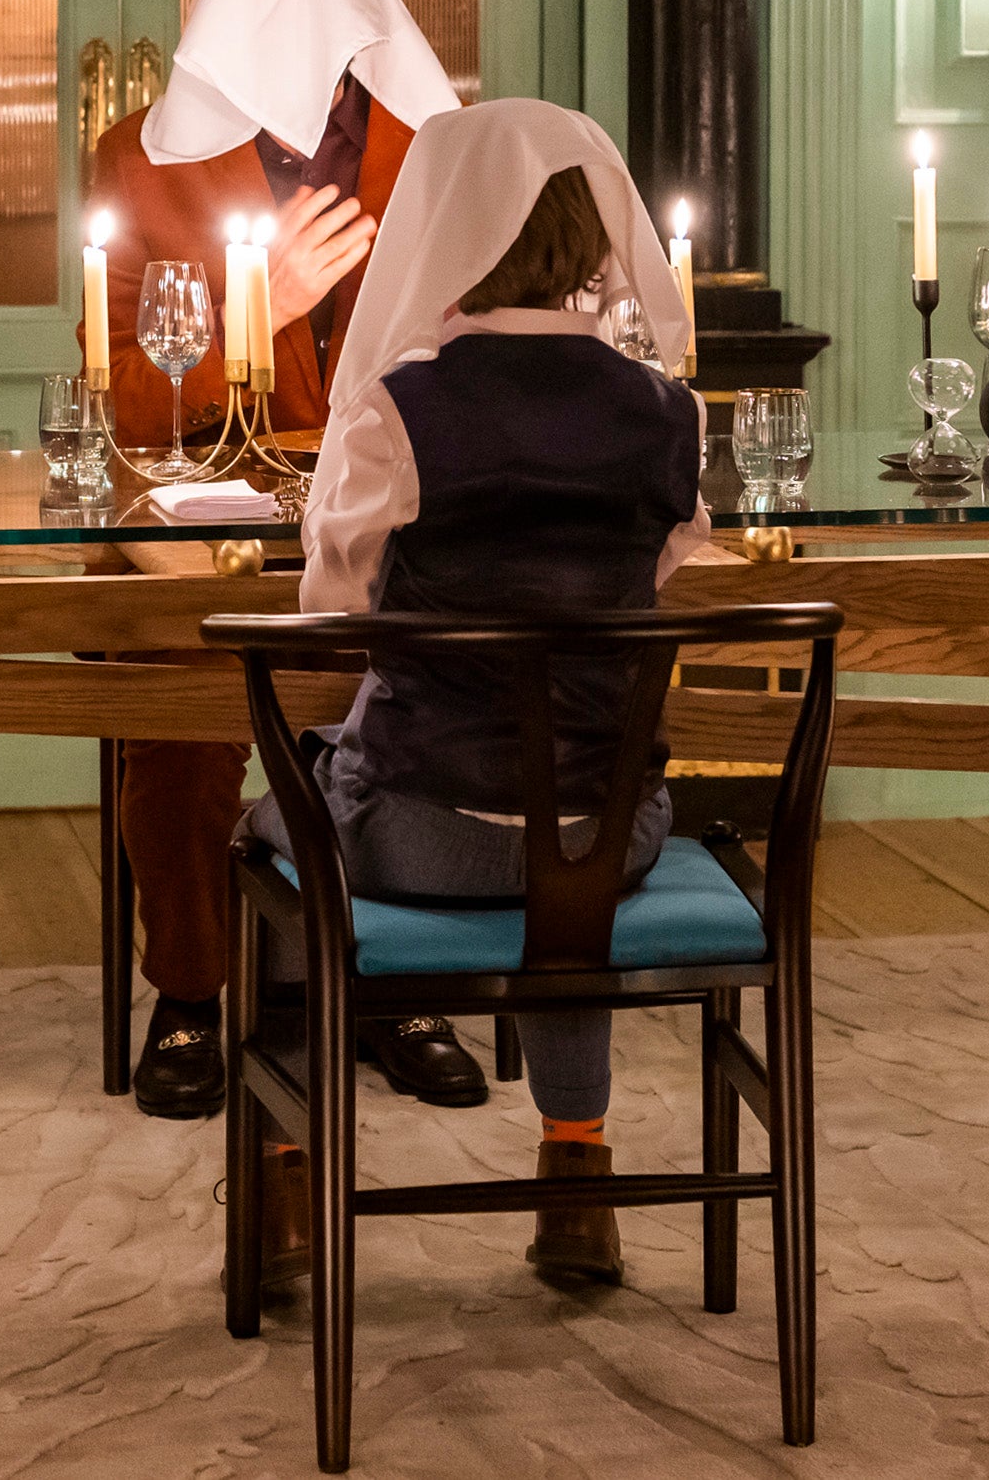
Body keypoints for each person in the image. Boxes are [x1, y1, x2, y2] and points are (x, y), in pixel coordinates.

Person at [246, 98, 709, 1286]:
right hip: (612, 841)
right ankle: (574, 1167)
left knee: (280, 814)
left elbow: (330, 613)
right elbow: (659, 585)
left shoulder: (402, 409)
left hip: (426, 832)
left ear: (439, 229)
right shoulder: (666, 413)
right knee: (569, 834)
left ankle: (291, 1170)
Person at [85, 0, 473, 1120]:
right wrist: (267, 301)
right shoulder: (137, 156)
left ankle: (397, 976)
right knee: (182, 716)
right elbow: (125, 401)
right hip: (204, 506)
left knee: (423, 691)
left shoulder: (440, 141)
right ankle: (191, 992)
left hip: (400, 504)